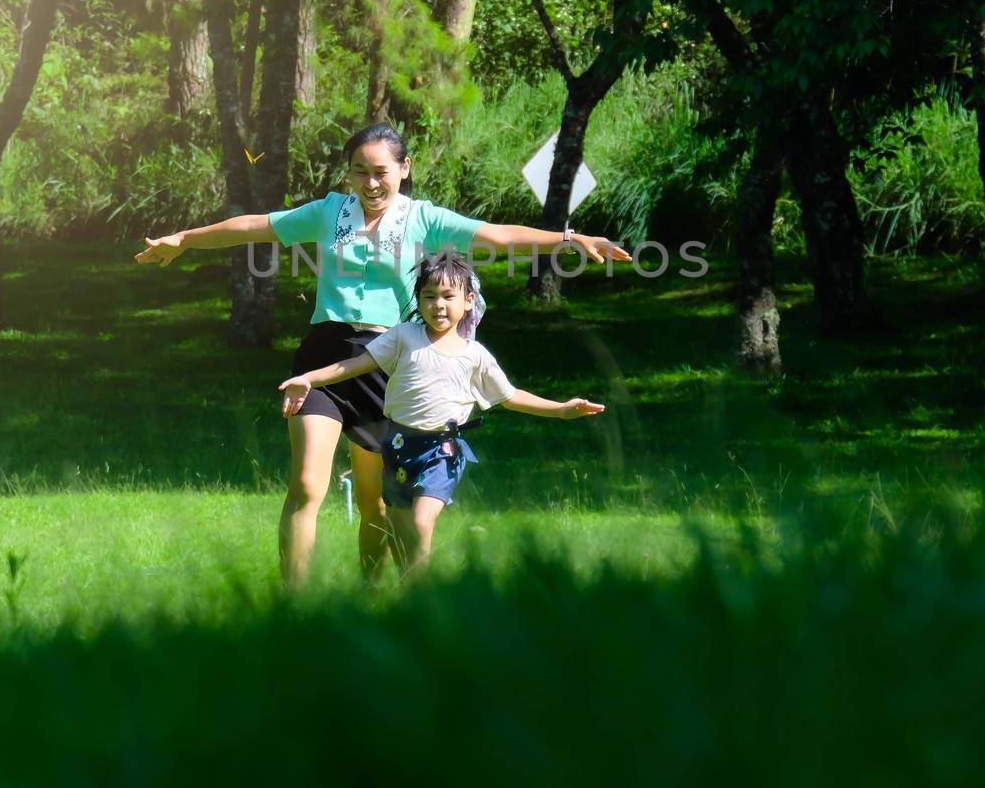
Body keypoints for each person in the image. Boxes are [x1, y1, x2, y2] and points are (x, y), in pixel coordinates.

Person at [134, 122, 630, 587]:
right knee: (308, 485)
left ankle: (372, 598)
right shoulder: (329, 212)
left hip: (387, 364)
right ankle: (293, 606)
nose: (371, 183)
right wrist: (185, 239)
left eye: (381, 172)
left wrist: (571, 239)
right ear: (347, 173)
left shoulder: (425, 219)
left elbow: (498, 235)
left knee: (374, 499)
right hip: (324, 357)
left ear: (404, 169)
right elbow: (254, 227)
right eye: (360, 172)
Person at [278, 251, 604, 573]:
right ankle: (413, 600)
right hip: (398, 448)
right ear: (417, 300)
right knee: (401, 532)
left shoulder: (474, 355)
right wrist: (308, 378)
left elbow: (510, 396)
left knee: (421, 522)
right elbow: (354, 364)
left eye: (449, 296)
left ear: (469, 301)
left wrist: (560, 409)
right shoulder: (403, 337)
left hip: (441, 451)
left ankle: (424, 606)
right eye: (429, 296)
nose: (439, 305)